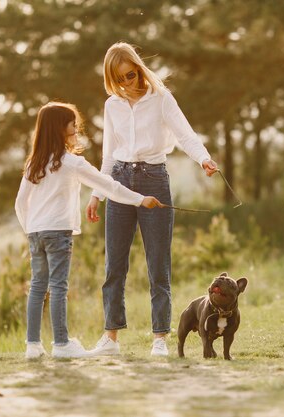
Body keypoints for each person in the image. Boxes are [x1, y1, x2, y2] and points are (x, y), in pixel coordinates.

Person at [85, 42, 218, 357]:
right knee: (114, 265)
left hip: (153, 180)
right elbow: (107, 155)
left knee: (158, 264)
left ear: (139, 69)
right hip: (118, 181)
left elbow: (185, 134)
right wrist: (96, 194)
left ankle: (159, 338)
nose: (127, 84)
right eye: (119, 80)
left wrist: (204, 159)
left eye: (130, 75)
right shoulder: (112, 105)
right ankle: (110, 339)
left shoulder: (161, 99)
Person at [15, 101, 161, 359]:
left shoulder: (33, 164)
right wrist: (140, 199)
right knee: (58, 286)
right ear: (60, 129)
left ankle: (32, 346)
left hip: (36, 232)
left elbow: (20, 203)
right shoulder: (70, 162)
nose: (75, 128)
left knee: (38, 286)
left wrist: (30, 228)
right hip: (58, 232)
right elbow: (108, 185)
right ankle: (61, 344)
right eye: (72, 124)